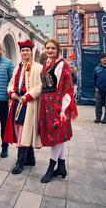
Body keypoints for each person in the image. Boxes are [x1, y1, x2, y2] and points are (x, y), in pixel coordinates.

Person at [39, 39, 78, 183]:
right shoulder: (47, 63)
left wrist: (62, 109)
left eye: (52, 48)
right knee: (59, 137)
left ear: (58, 50)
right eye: (47, 48)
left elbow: (68, 87)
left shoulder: (63, 64)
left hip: (58, 106)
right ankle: (61, 166)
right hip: (47, 104)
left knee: (56, 137)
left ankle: (51, 169)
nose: (49, 50)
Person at [4, 40, 42, 174]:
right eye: (23, 51)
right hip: (17, 102)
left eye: (27, 50)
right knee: (21, 129)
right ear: (20, 53)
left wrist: (28, 96)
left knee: (23, 131)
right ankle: (30, 158)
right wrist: (12, 92)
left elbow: (40, 86)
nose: (25, 53)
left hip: (29, 102)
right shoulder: (17, 67)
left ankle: (20, 162)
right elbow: (11, 83)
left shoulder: (38, 67)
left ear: (31, 52)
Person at [93, 52, 106, 123]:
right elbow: (94, 79)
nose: (104, 59)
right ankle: (98, 118)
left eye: (105, 58)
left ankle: (105, 119)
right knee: (98, 105)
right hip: (98, 90)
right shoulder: (96, 69)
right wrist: (95, 87)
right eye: (103, 58)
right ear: (101, 59)